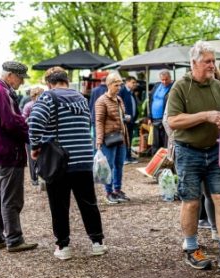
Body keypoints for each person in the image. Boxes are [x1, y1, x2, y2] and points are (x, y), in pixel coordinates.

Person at [167, 41, 220, 271]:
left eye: (213, 61)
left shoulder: (218, 86)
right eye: (207, 61)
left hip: (217, 151)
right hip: (188, 152)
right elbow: (173, 121)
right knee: (191, 202)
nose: (212, 65)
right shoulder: (180, 87)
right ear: (194, 62)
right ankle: (191, 248)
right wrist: (205, 116)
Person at [29, 67, 107, 260]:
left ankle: (63, 246)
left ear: (49, 83)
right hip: (83, 160)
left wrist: (35, 146)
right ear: (66, 80)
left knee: (59, 205)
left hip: (59, 162)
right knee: (88, 203)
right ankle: (97, 242)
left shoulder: (48, 98)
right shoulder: (81, 98)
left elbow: (34, 123)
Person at [0, 61, 37, 252]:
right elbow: (11, 122)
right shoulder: (1, 92)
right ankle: (14, 239)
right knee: (11, 198)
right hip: (6, 153)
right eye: (20, 78)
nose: (21, 82)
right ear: (10, 75)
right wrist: (29, 131)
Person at [95, 72, 130, 204]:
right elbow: (98, 121)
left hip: (121, 137)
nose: (119, 88)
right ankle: (109, 192)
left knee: (119, 165)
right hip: (108, 139)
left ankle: (117, 190)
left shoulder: (119, 99)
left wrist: (125, 118)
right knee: (108, 166)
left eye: (120, 85)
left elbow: (121, 116)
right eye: (116, 85)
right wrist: (99, 140)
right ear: (109, 85)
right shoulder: (101, 101)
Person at [21, 86, 44, 188]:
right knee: (32, 158)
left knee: (41, 156)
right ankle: (34, 178)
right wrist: (31, 119)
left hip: (42, 134)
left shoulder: (43, 105)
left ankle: (40, 177)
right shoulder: (29, 105)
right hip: (30, 134)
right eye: (39, 94)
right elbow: (23, 120)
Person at [149, 70, 173, 154]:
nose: (164, 82)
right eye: (162, 80)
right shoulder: (156, 85)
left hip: (165, 118)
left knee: (165, 142)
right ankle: (155, 162)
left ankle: (166, 161)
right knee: (155, 142)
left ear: (170, 78)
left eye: (166, 79)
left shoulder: (173, 86)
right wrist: (149, 117)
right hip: (155, 119)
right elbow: (151, 100)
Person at [121, 76, 139, 163]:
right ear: (127, 82)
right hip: (125, 121)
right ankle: (125, 158)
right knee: (125, 139)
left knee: (129, 139)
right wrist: (123, 117)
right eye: (133, 82)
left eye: (135, 82)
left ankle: (128, 156)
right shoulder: (122, 91)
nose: (135, 84)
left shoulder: (131, 93)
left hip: (131, 121)